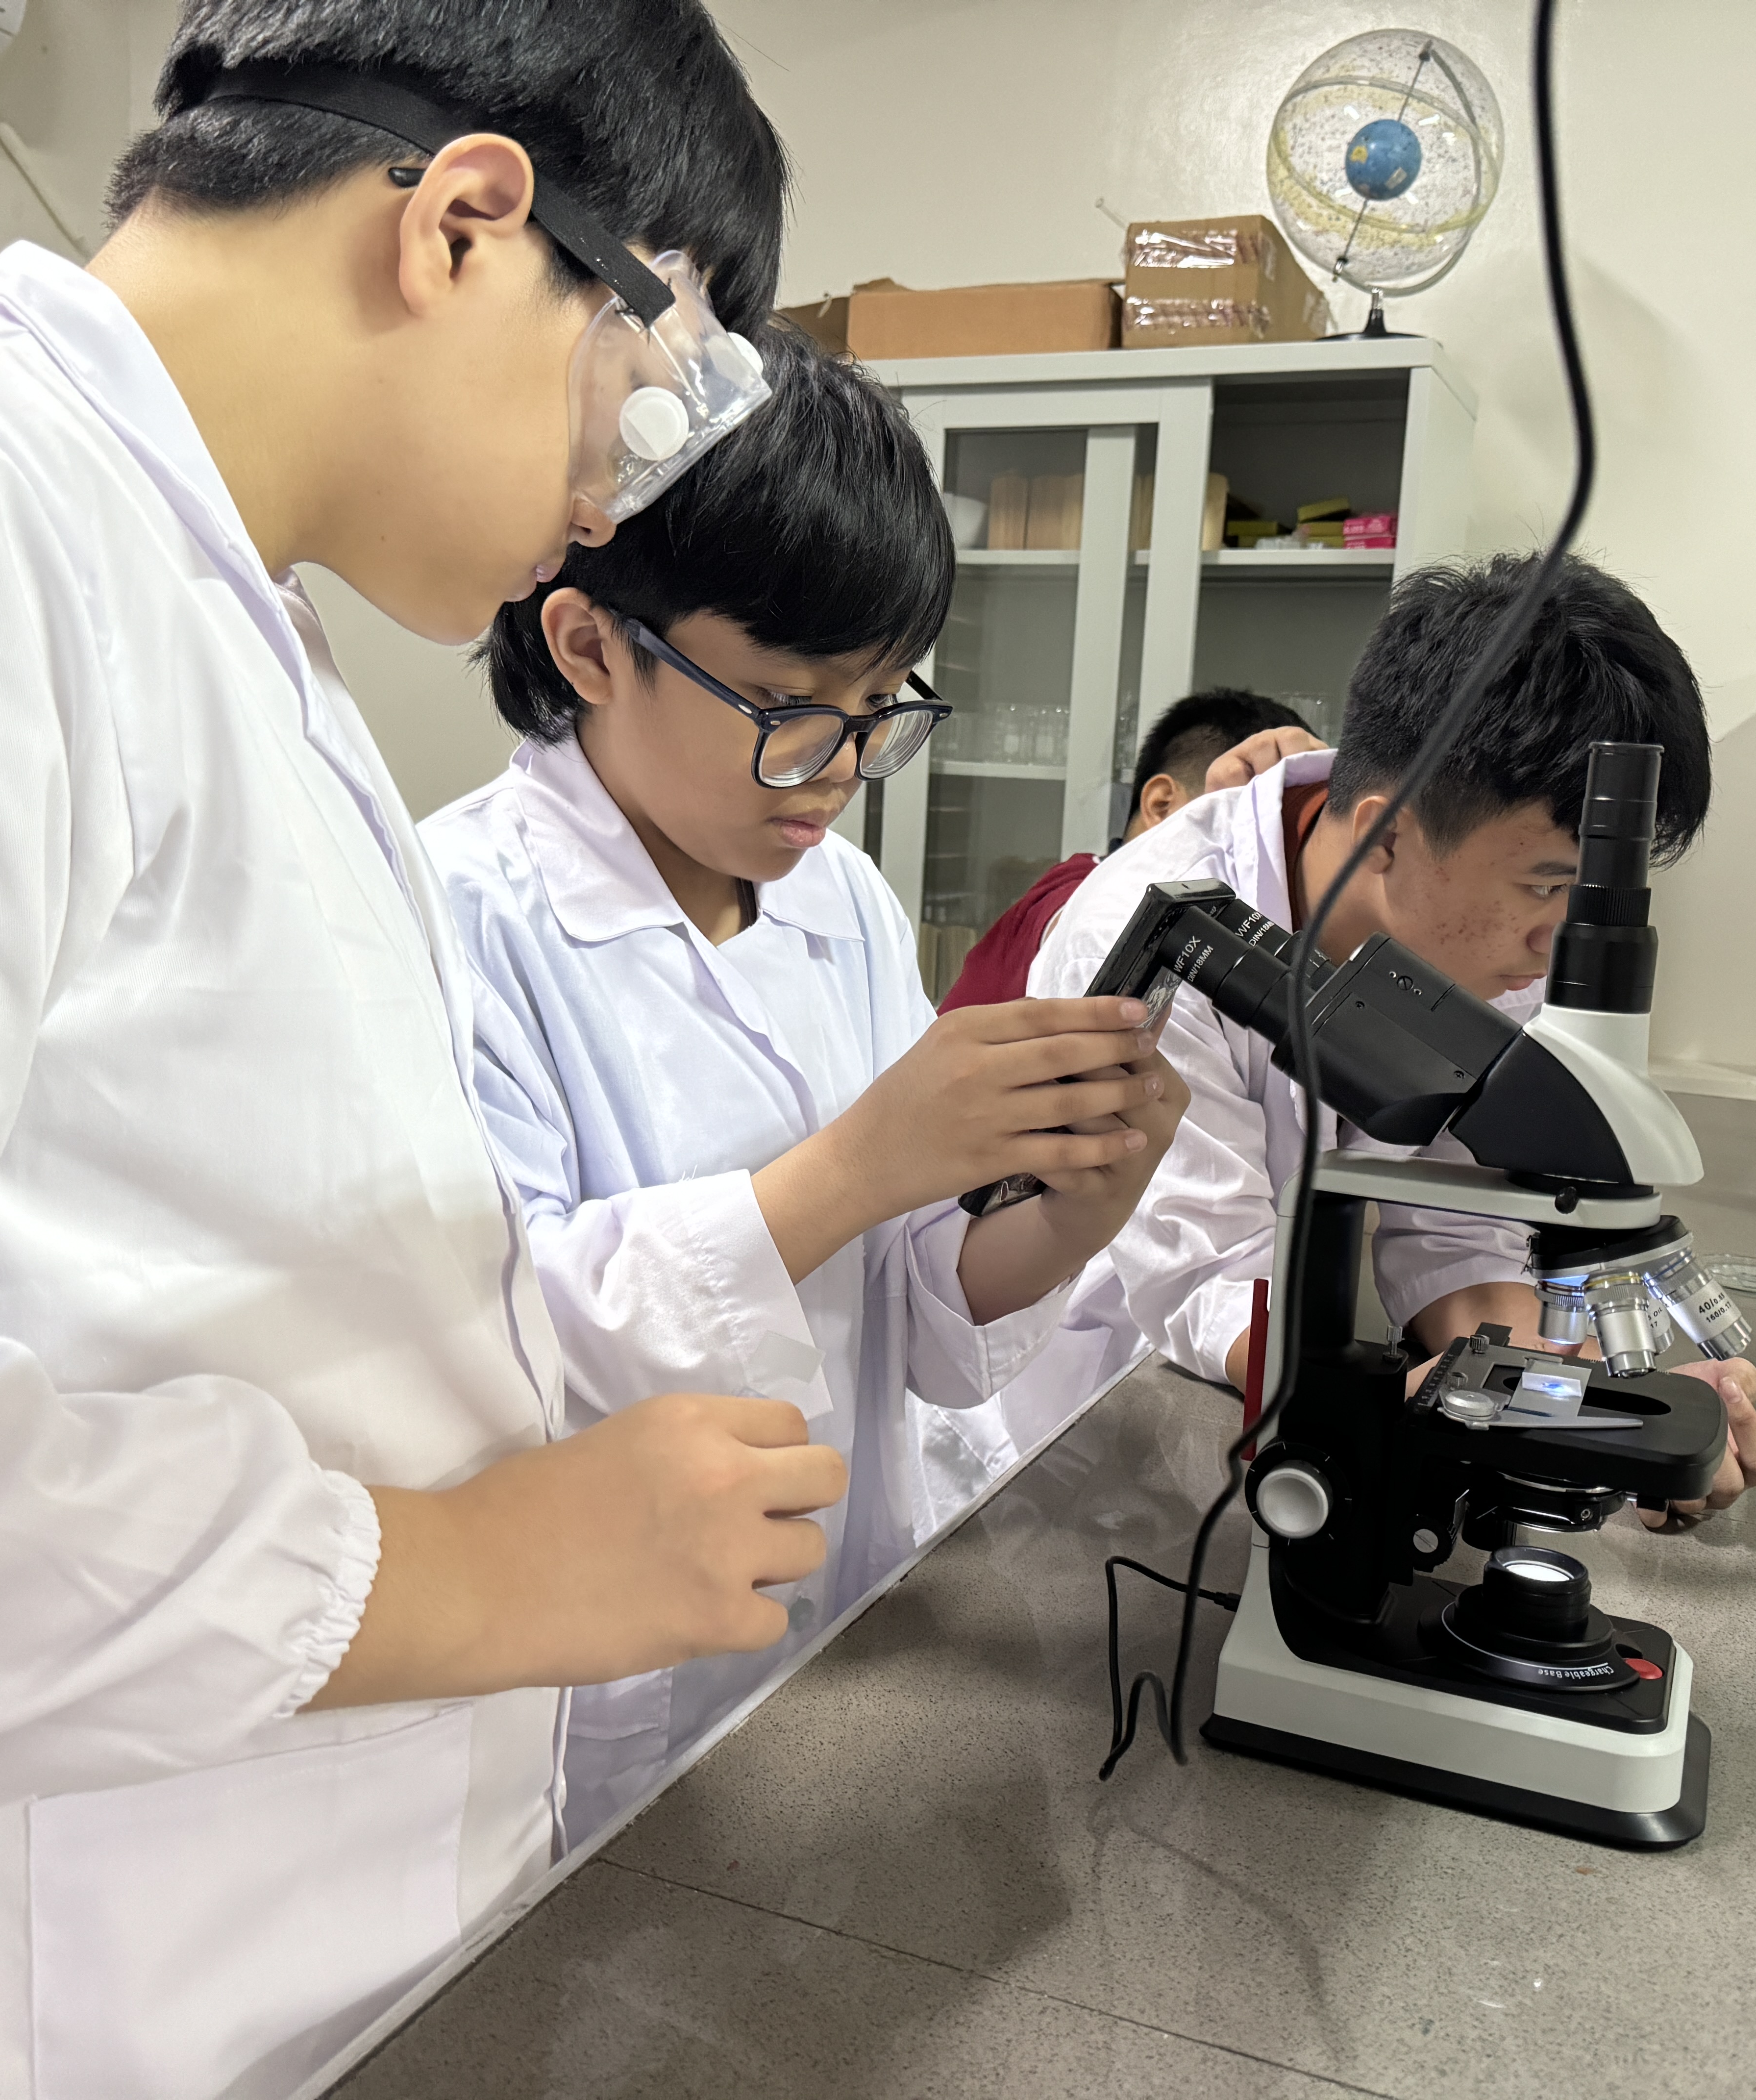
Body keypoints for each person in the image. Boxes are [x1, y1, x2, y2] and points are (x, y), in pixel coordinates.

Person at [0, 9, 855, 2097]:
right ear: (471, 224)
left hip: (258, 1975)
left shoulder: (212, 619)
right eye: (650, 396)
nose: (610, 511)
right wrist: (491, 1566)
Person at [420, 325, 1187, 1841]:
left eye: (881, 707)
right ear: (587, 646)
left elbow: (911, 1287)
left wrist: (1065, 1204)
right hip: (594, 1698)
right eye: (791, 710)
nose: (838, 770)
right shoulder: (452, 919)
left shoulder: (835, 898)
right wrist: (856, 1163)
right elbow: (497, 1356)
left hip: (845, 1620)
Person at [1032, 554, 1756, 1527]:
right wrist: (1446, 1406)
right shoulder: (1157, 932)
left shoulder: (1488, 934)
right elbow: (1211, 1280)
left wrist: (1561, 1402)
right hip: (1097, 1440)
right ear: (1388, 839)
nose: (1555, 943)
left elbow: (1458, 1221)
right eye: (1547, 887)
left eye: (1586, 903)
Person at [938, 687, 1319, 1011]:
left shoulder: (1085, 876)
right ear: (1161, 803)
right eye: (1235, 820)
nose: (1259, 852)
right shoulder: (1108, 913)